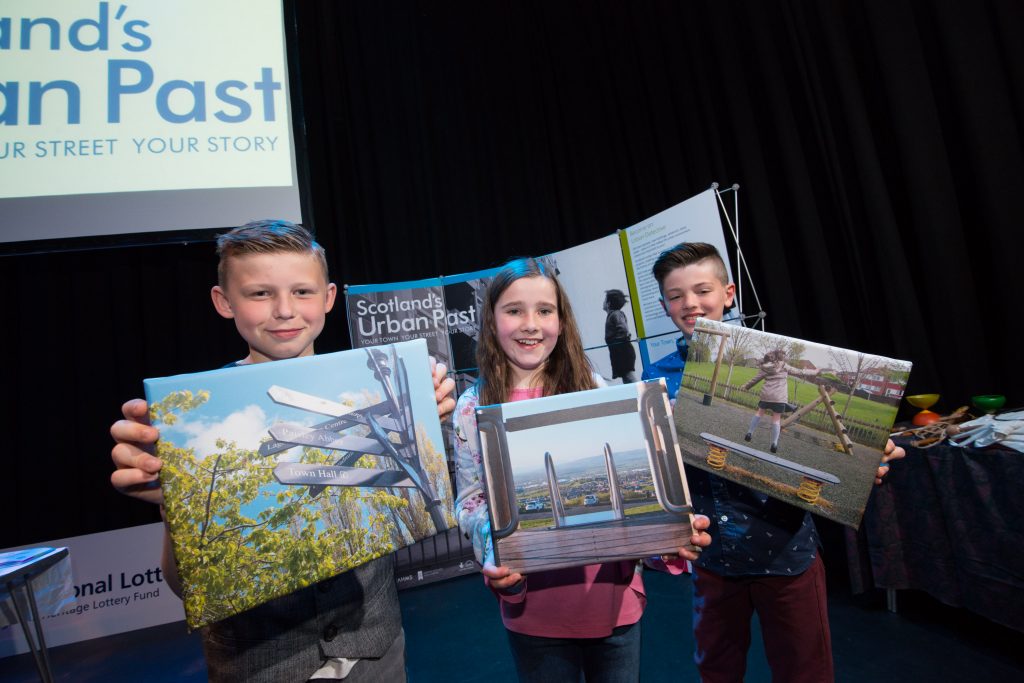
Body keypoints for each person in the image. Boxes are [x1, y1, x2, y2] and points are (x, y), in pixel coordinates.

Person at [110, 220, 456, 682]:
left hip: (378, 649)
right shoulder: (192, 425)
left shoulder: (379, 386)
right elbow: (183, 584)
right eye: (259, 294)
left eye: (302, 292)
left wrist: (429, 430)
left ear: (329, 298)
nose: (284, 310)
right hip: (260, 665)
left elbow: (413, 510)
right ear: (223, 302)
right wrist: (175, 505)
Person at [642, 242, 904, 683]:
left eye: (702, 290)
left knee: (805, 670)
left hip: (787, 552)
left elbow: (830, 437)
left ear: (728, 293)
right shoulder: (657, 377)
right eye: (675, 295)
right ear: (665, 305)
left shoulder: (775, 355)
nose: (690, 303)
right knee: (716, 669)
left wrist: (866, 459)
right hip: (713, 558)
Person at [453, 257, 712, 682]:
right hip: (532, 612)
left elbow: (631, 488)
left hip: (613, 604)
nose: (530, 324)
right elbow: (471, 500)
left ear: (561, 318)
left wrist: (666, 535)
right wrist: (496, 548)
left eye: (544, 310)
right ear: (492, 320)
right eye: (514, 310)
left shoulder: (593, 388)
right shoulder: (471, 407)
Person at [741, 348, 822, 454]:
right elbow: (800, 372)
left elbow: (755, 379)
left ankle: (749, 433)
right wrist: (815, 371)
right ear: (780, 357)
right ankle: (774, 443)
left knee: (759, 413)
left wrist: (745, 386)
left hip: (766, 395)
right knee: (776, 419)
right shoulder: (784, 365)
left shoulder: (764, 367)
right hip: (779, 397)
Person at [603, 288, 638, 383]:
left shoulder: (616, 314)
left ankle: (641, 393)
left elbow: (623, 329)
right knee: (625, 377)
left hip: (623, 351)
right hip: (618, 351)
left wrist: (616, 341)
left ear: (608, 304)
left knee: (629, 375)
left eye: (605, 300)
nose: (603, 302)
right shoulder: (612, 315)